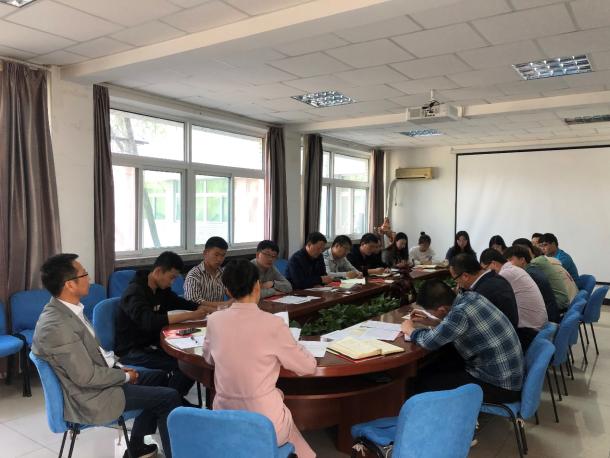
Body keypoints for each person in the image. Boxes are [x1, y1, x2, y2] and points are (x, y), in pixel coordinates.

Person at [32, 254, 181, 458]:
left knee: (160, 377)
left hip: (97, 382)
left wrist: (119, 368)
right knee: (169, 397)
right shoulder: (57, 326)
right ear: (69, 285)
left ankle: (136, 447)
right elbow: (86, 377)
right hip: (91, 397)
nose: (89, 279)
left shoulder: (67, 310)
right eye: (84, 274)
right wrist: (124, 376)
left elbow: (95, 355)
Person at [203, 259, 317, 458]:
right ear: (257, 285)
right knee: (286, 423)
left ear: (227, 291)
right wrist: (298, 346)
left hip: (224, 418)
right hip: (264, 422)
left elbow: (208, 359)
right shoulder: (273, 324)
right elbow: (307, 367)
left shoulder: (214, 320)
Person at [402, 279, 523, 404]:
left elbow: (429, 342)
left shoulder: (459, 313)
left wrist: (409, 330)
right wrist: (433, 321)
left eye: (431, 312)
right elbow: (459, 326)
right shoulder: (471, 296)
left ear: (442, 310)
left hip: (498, 387)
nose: (431, 314)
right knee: (440, 366)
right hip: (508, 378)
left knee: (422, 383)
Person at [116, 251, 208, 400]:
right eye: (171, 277)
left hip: (154, 345)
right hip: (132, 350)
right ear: (158, 271)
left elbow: (179, 302)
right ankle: (169, 402)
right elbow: (149, 321)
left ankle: (171, 400)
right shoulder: (134, 293)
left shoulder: (161, 290)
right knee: (184, 366)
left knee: (191, 363)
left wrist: (203, 308)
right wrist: (191, 315)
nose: (172, 283)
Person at [480, 249, 547, 350]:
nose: (484, 273)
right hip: (539, 326)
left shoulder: (504, 274)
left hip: (530, 332)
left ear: (493, 263)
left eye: (484, 269)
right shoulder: (514, 269)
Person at [449, 254, 518, 328]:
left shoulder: (480, 294)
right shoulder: (495, 277)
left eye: (455, 279)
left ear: (465, 276)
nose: (457, 283)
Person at [514, 238, 577, 311]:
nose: (543, 248)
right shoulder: (547, 260)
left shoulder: (535, 264)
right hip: (570, 300)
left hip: (564, 304)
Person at [504, 245, 560, 323]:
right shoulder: (532, 269)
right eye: (506, 261)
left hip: (549, 320)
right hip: (550, 316)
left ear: (522, 260)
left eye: (510, 260)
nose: (507, 265)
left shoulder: (528, 274)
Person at [184, 236, 234, 310]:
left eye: (223, 255)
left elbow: (232, 293)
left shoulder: (223, 273)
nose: (220, 259)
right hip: (201, 315)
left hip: (220, 314)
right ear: (205, 253)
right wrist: (224, 304)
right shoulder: (194, 275)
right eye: (216, 255)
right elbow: (193, 302)